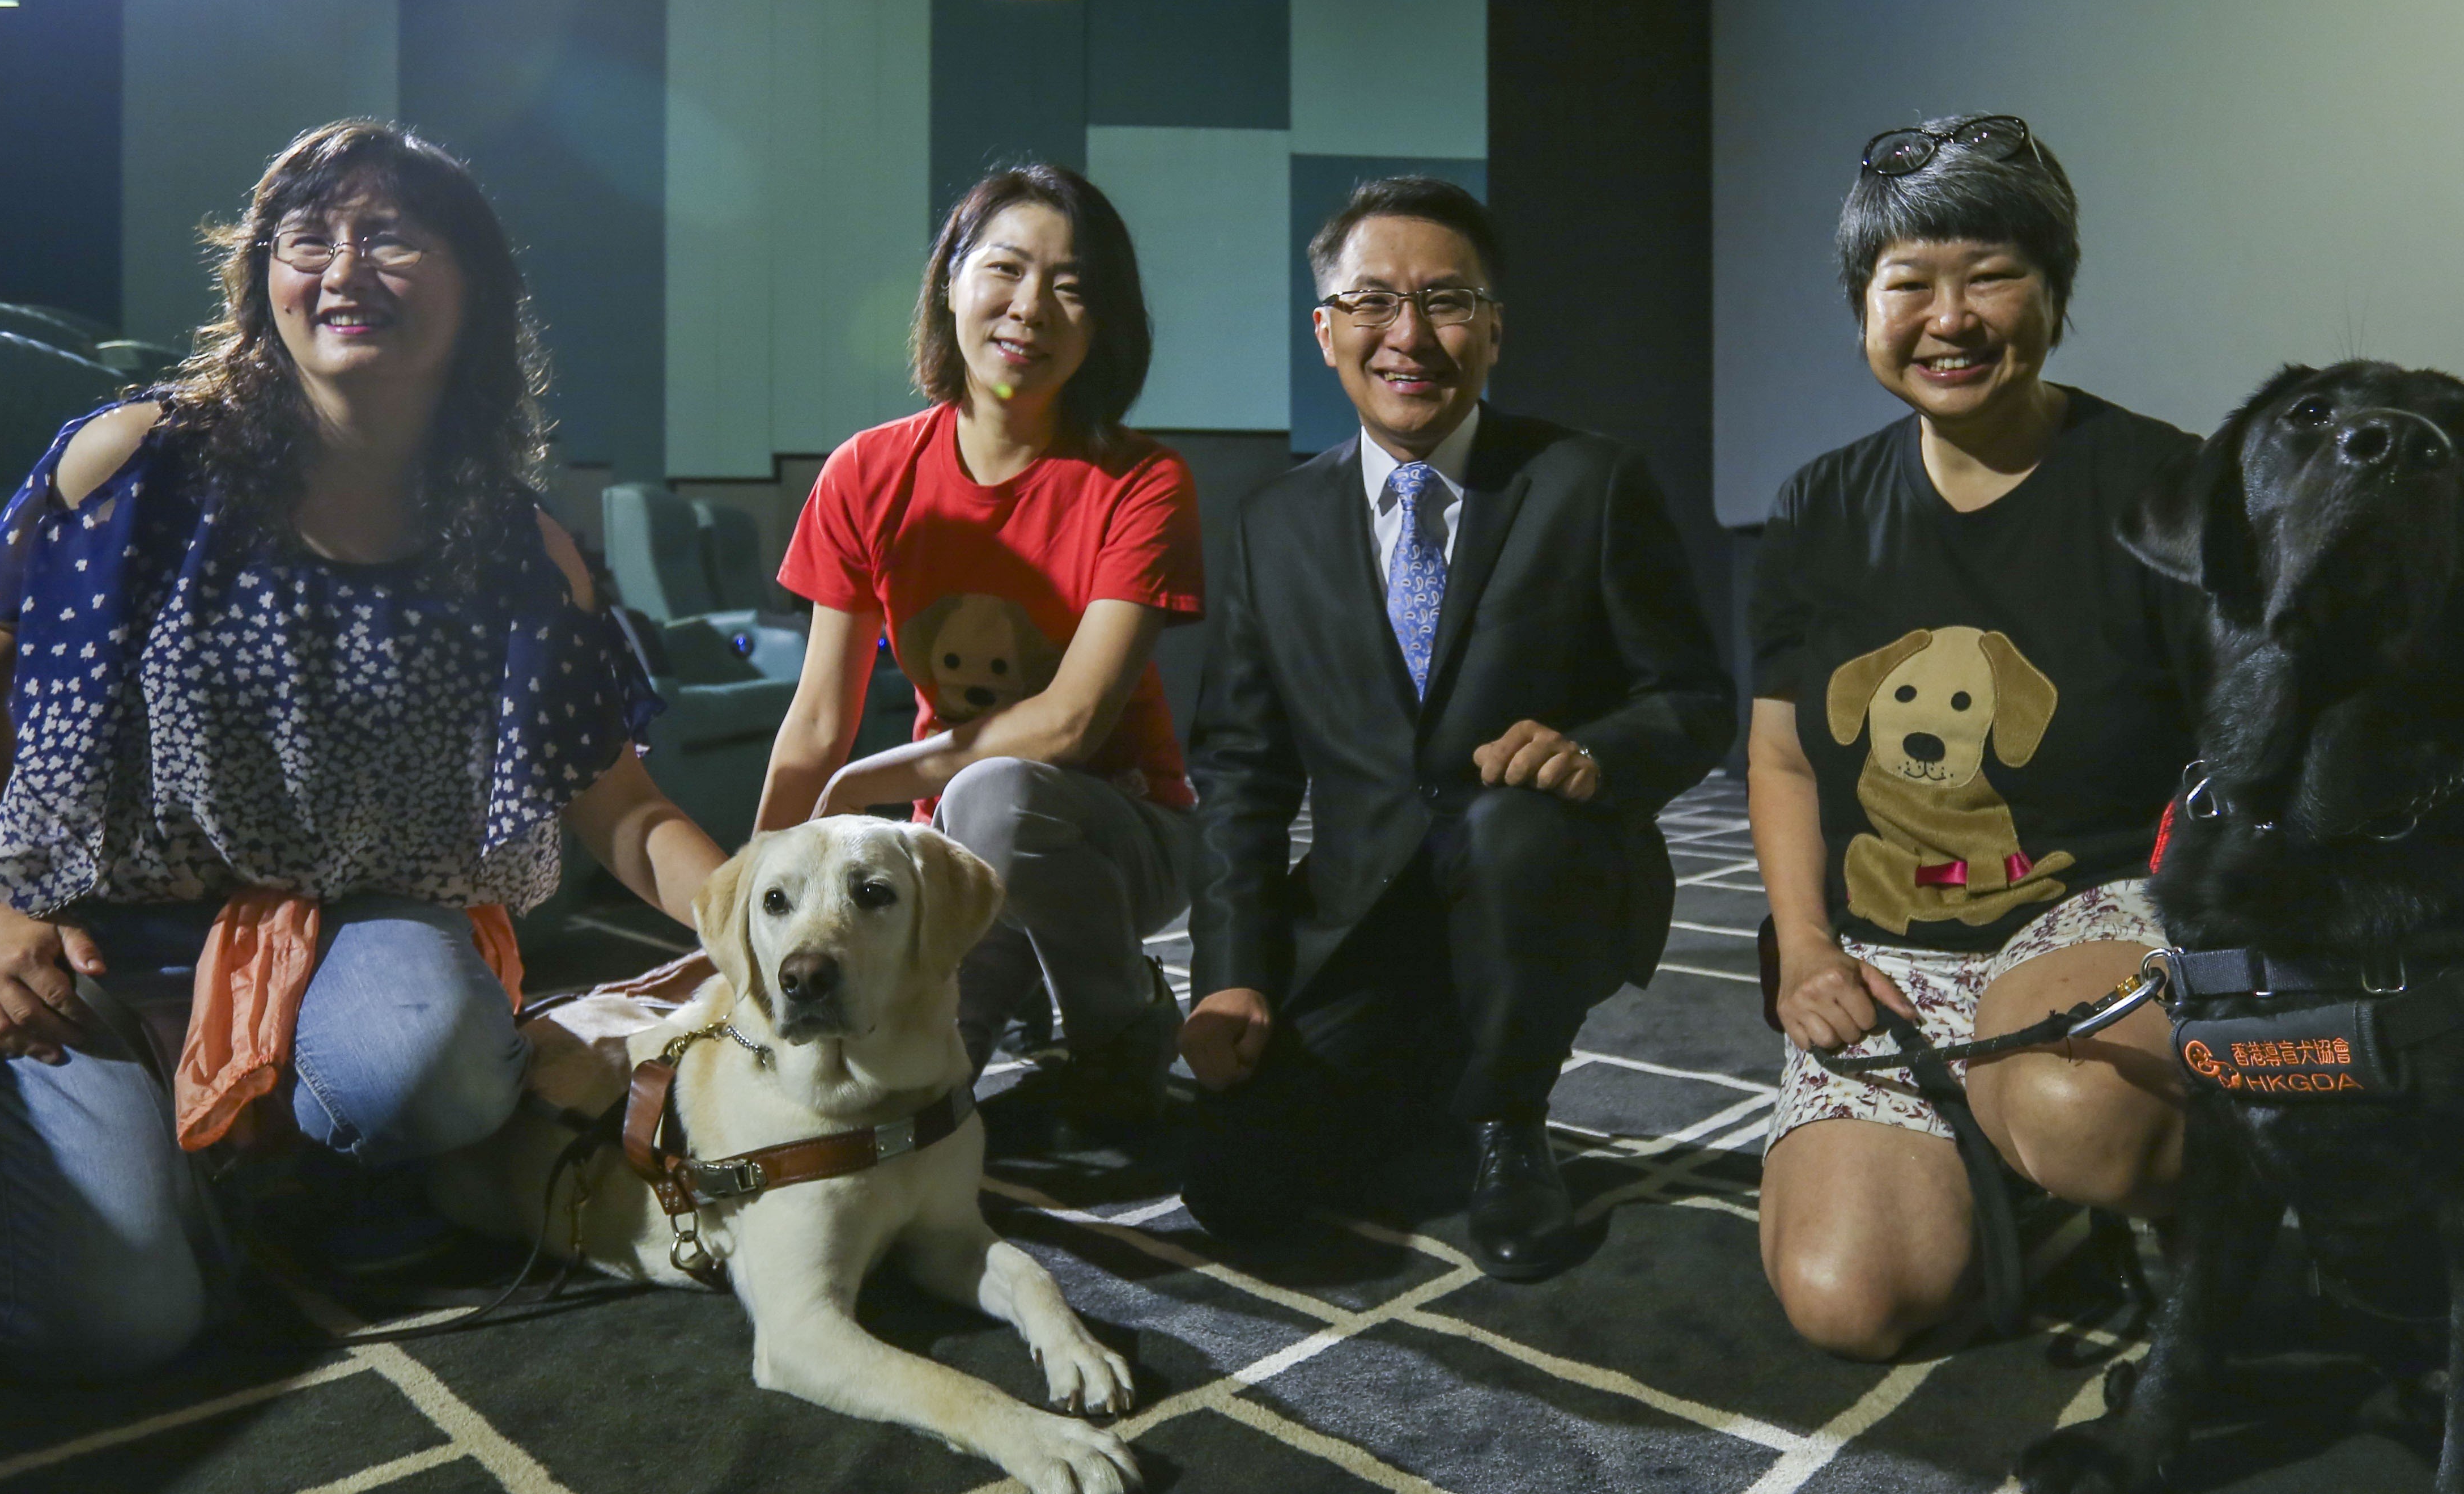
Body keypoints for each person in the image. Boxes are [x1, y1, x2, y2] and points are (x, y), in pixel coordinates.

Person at [0, 120, 723, 1375]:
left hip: (354, 923)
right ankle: (140, 1174)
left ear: (475, 292)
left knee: (433, 1069)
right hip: (99, 936)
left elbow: (619, 802)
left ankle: (260, 1165)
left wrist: (763, 913)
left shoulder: (517, 545)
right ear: (261, 278)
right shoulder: (135, 462)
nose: (343, 269)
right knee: (114, 1326)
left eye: (392, 237)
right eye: (309, 238)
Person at [1180, 176, 1735, 1279]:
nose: (1410, 335)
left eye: (1445, 300)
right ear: (1326, 330)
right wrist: (1231, 974)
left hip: (1539, 880)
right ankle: (1436, 1069)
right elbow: (1241, 770)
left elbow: (1694, 700)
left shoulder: (1590, 483)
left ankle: (1509, 1121)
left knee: (1509, 826)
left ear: (1494, 330)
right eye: (1374, 302)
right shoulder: (1273, 524)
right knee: (1234, 1187)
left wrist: (1596, 753)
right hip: (1359, 913)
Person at [1748, 113, 2204, 1358]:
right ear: (1864, 310)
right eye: (1910, 284)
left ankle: (2173, 1190)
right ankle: (2002, 1167)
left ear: (2054, 294)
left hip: (2094, 912)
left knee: (2080, 1114)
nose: (1950, 318)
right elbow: (1785, 756)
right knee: (1849, 1302)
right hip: (1893, 946)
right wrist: (1803, 953)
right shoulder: (1818, 507)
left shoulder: (2166, 488)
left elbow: (2244, 763)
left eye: (1992, 276)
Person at [759, 165, 1201, 1123]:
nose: (1031, 308)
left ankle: (1122, 1023)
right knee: (899, 1098)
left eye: (1073, 286)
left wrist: (866, 785)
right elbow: (817, 724)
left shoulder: (1143, 480)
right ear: (950, 282)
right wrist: (753, 909)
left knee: (993, 794)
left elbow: (1072, 724)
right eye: (1005, 269)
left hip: (1123, 833)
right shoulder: (867, 473)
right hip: (948, 847)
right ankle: (1018, 984)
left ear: (1104, 322)